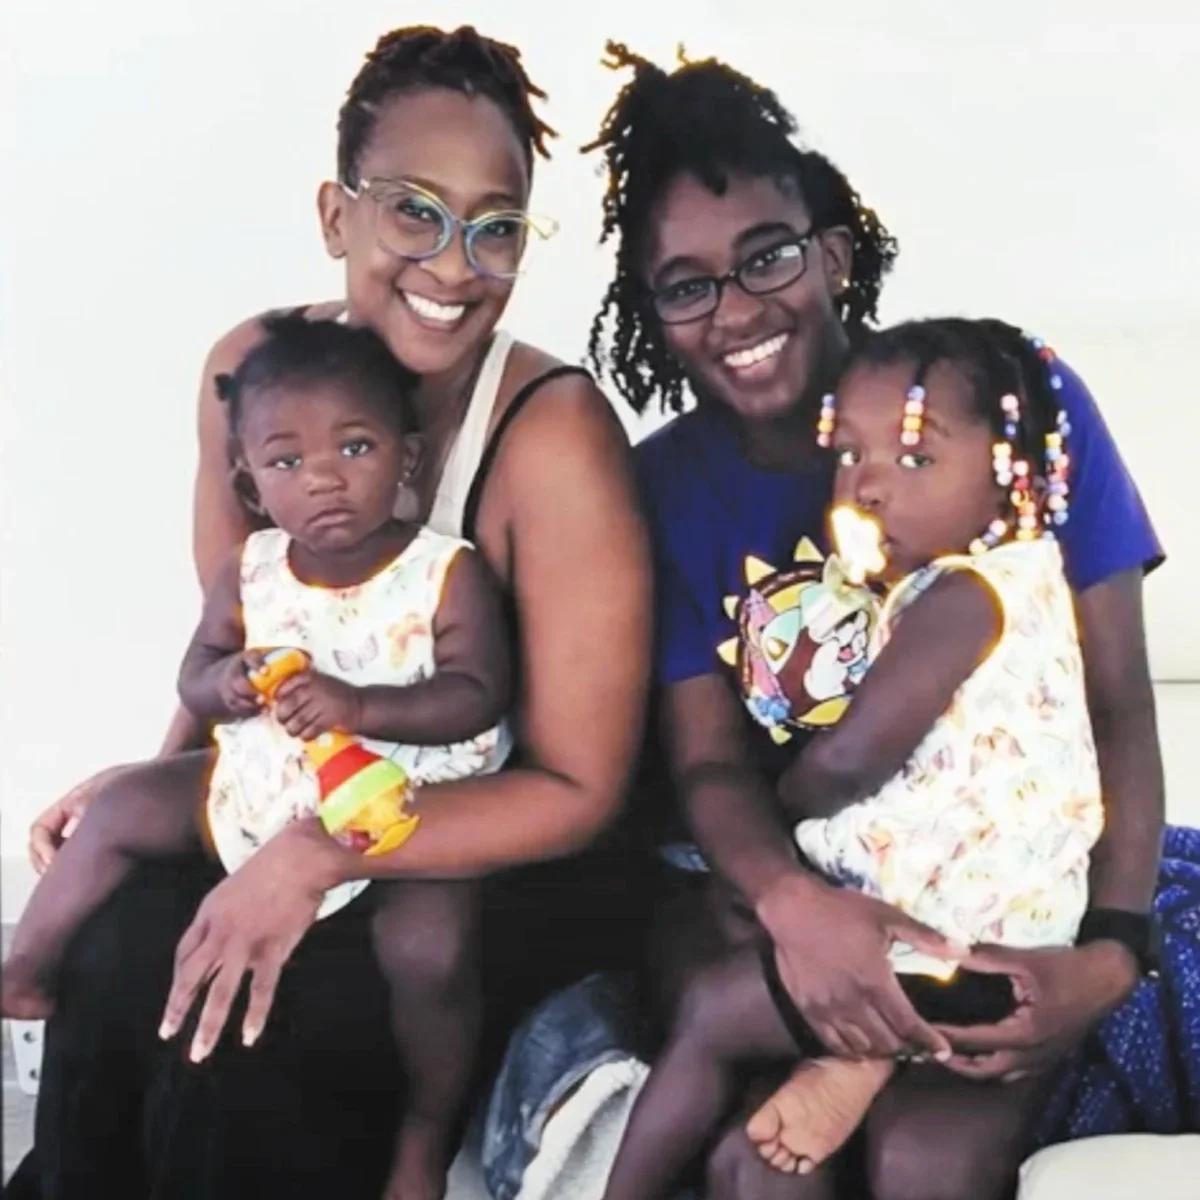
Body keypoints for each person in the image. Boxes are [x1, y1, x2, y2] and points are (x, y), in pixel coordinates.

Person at [10, 25, 650, 1200]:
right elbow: (243, 639)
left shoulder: (549, 437)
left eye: (495, 226)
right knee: (117, 949)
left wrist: (312, 856)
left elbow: (579, 791)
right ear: (334, 213)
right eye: (413, 211)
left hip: (478, 863)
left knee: (263, 1023)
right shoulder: (252, 379)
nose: (453, 265)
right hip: (290, 801)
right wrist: (161, 779)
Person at [586, 45, 1164, 1200]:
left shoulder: (1014, 403)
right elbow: (706, 764)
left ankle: (869, 1066)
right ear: (651, 310)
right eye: (688, 284)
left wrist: (1111, 950)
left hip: (990, 888)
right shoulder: (655, 495)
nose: (738, 308)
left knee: (925, 1158)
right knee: (765, 1172)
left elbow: (1119, 708)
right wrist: (797, 905)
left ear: (833, 253)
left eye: (767, 257)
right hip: (764, 888)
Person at [4, 314, 515, 1198]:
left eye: (355, 447)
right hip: (259, 783)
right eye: (286, 462)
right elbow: (195, 673)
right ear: (249, 477)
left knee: (433, 956)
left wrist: (362, 705)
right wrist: (226, 684)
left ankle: (424, 1137)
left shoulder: (444, 571)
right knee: (122, 810)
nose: (323, 478)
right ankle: (29, 970)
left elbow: (480, 692)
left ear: (408, 455)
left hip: (400, 812)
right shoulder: (253, 568)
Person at [601, 316, 1105, 1199]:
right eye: (850, 456)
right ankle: (864, 1058)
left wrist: (790, 794)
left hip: (942, 951)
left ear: (1009, 473)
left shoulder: (961, 599)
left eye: (915, 460)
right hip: (1002, 958)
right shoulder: (1019, 582)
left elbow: (855, 756)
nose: (868, 487)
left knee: (714, 1017)